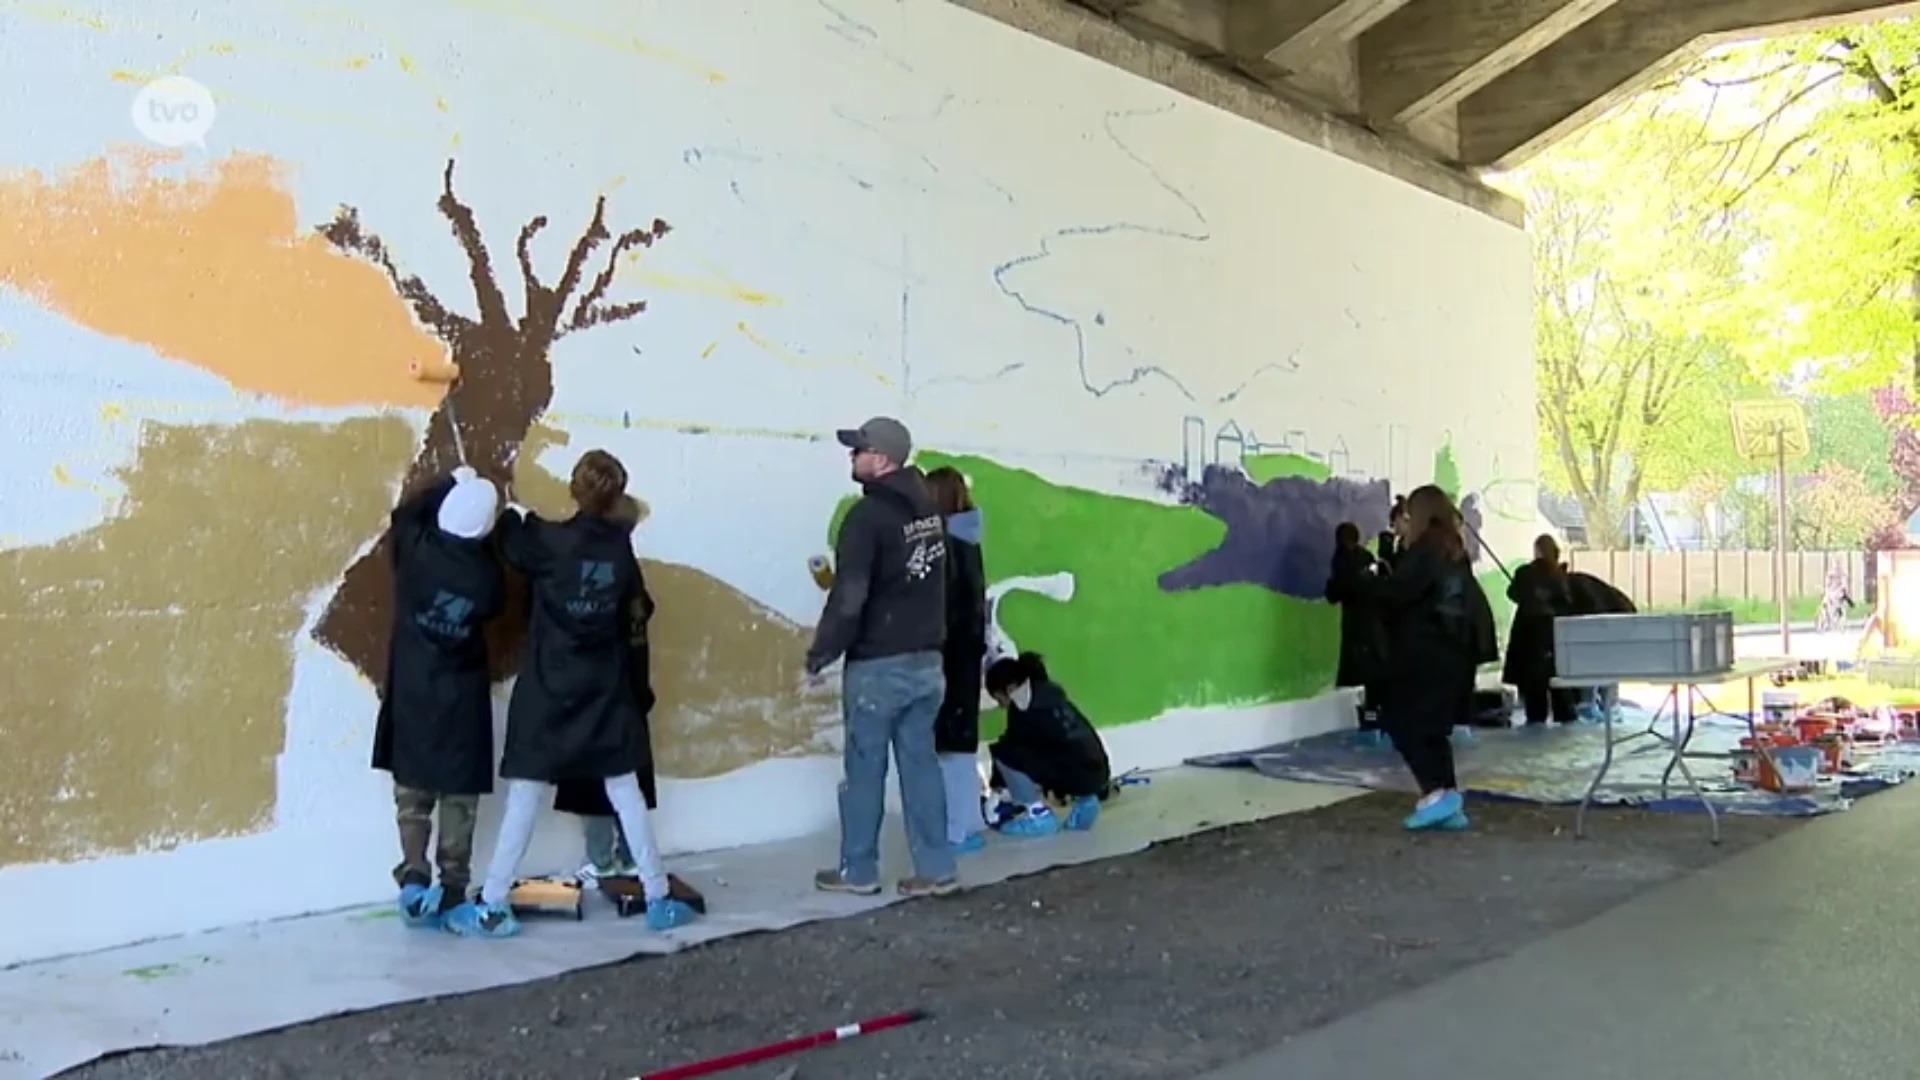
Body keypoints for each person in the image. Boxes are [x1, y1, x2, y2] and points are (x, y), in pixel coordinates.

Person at [449, 451, 699, 938]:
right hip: (603, 690)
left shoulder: (548, 542)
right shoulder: (619, 552)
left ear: (574, 489)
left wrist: (511, 507)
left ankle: (494, 902)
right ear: (616, 496)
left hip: (548, 689)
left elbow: (512, 538)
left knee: (524, 794)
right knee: (624, 790)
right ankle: (658, 898)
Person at [806, 417, 959, 898]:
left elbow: (850, 597)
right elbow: (937, 582)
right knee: (921, 766)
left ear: (883, 458)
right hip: (927, 663)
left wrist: (819, 656)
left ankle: (859, 871)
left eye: (859, 450)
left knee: (865, 771)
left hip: (878, 667)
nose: (851, 457)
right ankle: (936, 868)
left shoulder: (866, 518)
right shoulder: (931, 514)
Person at [370, 465, 506, 928]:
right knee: (459, 799)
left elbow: (404, 513)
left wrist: (451, 481)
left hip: (412, 687)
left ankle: (412, 875)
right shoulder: (486, 579)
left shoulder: (414, 549)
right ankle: (452, 889)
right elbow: (496, 598)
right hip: (461, 697)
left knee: (413, 793)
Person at [1359, 484, 1477, 831]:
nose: (1404, 524)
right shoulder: (1455, 550)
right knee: (1433, 731)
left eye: (1408, 516)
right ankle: (1443, 798)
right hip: (1452, 650)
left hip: (1422, 651)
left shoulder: (1426, 550)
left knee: (1400, 721)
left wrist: (1368, 583)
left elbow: (1400, 594)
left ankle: (1440, 794)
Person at [554, 494, 657, 880]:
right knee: (629, 783)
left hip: (598, 693)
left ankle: (601, 862)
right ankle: (632, 858)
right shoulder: (628, 572)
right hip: (632, 691)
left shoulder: (603, 571)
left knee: (593, 783)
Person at [926, 466, 990, 856]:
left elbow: (942, 606)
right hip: (967, 651)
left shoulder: (947, 544)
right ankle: (966, 825)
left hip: (950, 653)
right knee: (961, 743)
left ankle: (957, 830)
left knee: (948, 745)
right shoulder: (968, 537)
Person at [982, 652, 1112, 836]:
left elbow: (1011, 748)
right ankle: (1086, 801)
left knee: (1003, 752)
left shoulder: (1022, 705)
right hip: (1098, 771)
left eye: (998, 699)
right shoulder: (1050, 694)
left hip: (1075, 772)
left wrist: (996, 788)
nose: (1001, 706)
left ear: (1010, 689)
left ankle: (1037, 816)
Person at [1504, 534, 1578, 726]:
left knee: (1533, 681)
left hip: (1528, 631)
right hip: (1552, 631)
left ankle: (1536, 717)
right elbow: (1566, 601)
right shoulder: (1559, 575)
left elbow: (1513, 594)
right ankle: (1565, 714)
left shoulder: (1525, 572)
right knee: (1556, 677)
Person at [1325, 521, 1388, 747]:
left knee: (1369, 674)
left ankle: (1372, 724)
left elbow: (1337, 592)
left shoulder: (1342, 560)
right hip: (1376, 623)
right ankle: (1378, 721)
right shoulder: (1366, 558)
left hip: (1359, 625)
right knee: (1376, 675)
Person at [1567, 567, 1634, 720]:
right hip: (1619, 615)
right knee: (1605, 664)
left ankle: (1594, 705)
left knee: (1594, 662)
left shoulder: (1574, 589)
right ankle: (1608, 706)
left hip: (1614, 617)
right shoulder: (1580, 583)